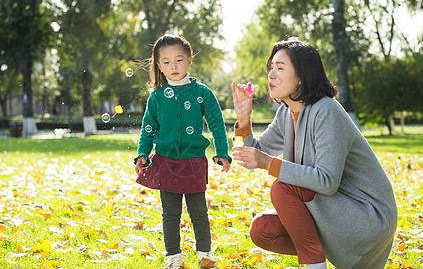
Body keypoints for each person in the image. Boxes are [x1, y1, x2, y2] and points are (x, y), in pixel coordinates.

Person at [231, 37, 397, 269]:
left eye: (280, 68)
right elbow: (253, 157)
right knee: (263, 230)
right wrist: (243, 119)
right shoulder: (285, 113)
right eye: (271, 67)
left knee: (283, 186)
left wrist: (269, 163)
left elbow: (327, 181)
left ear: (301, 77)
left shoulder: (327, 111)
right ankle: (319, 257)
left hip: (367, 219)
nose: (270, 74)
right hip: (334, 215)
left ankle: (315, 265)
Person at [134, 34, 231, 268]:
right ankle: (173, 257)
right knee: (170, 214)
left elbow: (217, 123)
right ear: (158, 65)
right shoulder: (156, 97)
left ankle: (205, 255)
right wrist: (142, 153)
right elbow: (148, 128)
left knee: (199, 212)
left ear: (189, 60)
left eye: (179, 59)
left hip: (194, 162)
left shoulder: (202, 92)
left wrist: (222, 151)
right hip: (165, 162)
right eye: (166, 62)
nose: (173, 66)